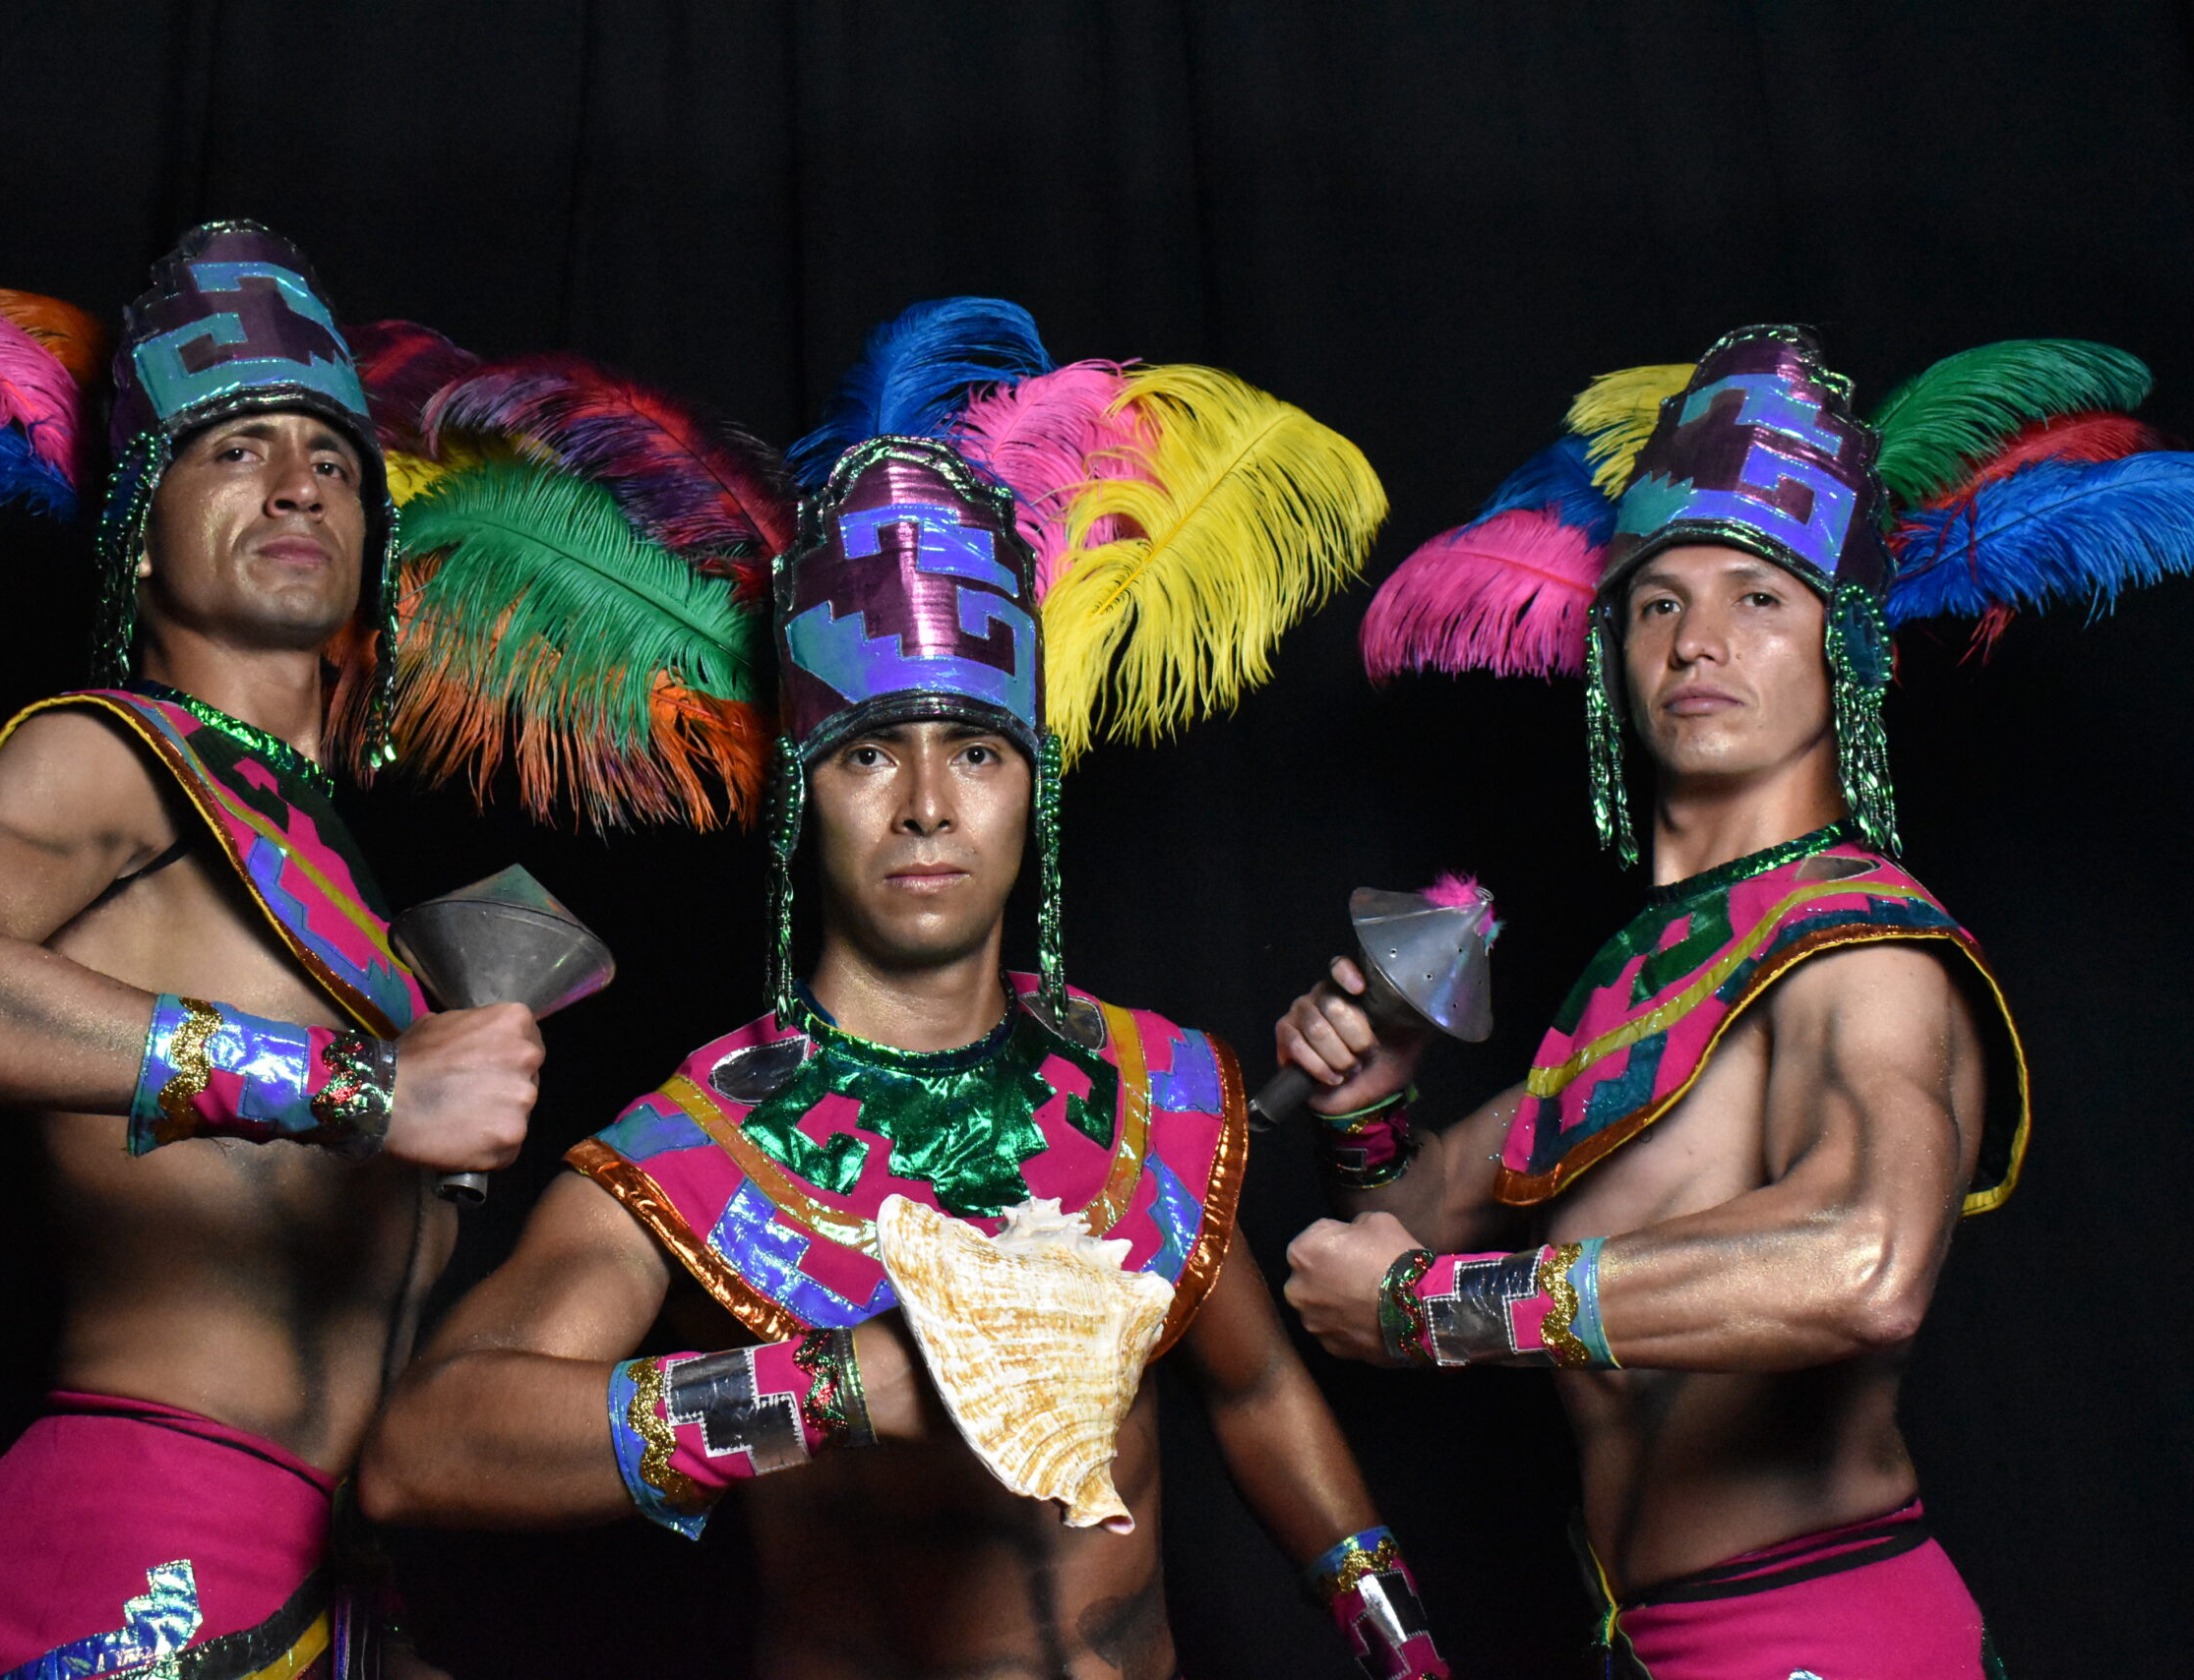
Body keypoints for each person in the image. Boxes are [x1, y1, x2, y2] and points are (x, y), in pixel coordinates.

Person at [362, 415, 1450, 1678]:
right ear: (801, 796)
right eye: (869, 755)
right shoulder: (703, 1145)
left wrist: (1403, 1647)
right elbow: (423, 1450)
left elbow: (1258, 1394)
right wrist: (856, 1383)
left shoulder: (1147, 1087)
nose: (928, 807)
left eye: (975, 753)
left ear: (1032, 787)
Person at [1275, 324, 2132, 1678]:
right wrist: (1368, 1105)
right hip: (1649, 1636)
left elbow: (1866, 1266)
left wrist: (1430, 1312)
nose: (1698, 642)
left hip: (1819, 1630)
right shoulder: (1645, 973)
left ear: (1848, 654)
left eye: (1759, 599)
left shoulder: (1861, 950)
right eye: (1658, 604)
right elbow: (1401, 1233)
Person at [0, 223, 543, 1680]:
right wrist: (366, 1091)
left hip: (341, 1579)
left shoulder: (337, 880)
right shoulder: (115, 754)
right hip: (145, 1529)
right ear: (142, 528)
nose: (297, 485)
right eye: (236, 452)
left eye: (332, 463)